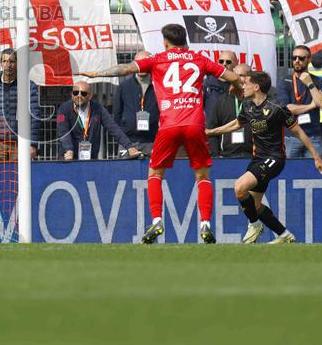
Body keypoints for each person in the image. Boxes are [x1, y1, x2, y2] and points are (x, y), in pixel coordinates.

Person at [81, 23, 242, 244]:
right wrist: (239, 91)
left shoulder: (157, 59)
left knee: (155, 174)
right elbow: (233, 78)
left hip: (169, 124)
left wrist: (97, 73)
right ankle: (205, 224)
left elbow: (125, 69)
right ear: (184, 40)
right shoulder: (200, 59)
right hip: (195, 124)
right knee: (202, 176)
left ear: (165, 42)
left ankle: (157, 220)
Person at [206, 70, 322, 244]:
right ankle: (285, 235)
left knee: (239, 187)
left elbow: (299, 132)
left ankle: (254, 225)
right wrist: (212, 132)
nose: (243, 86)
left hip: (274, 158)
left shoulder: (277, 107)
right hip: (258, 159)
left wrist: (317, 157)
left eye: (245, 82)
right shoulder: (247, 106)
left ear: (256, 87)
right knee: (255, 205)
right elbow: (236, 124)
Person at [56, 81, 142, 160]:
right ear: (71, 95)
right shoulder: (63, 109)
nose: (79, 96)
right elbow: (63, 132)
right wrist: (68, 149)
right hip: (68, 158)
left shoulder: (98, 109)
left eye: (83, 93)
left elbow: (113, 127)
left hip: (91, 158)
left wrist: (129, 146)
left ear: (90, 96)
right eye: (75, 93)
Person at [277, 44, 322, 158]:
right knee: (289, 172)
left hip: (313, 136)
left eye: (301, 58)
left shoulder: (318, 81)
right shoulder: (285, 81)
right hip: (292, 137)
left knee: (314, 172)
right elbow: (287, 109)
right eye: (294, 58)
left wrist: (310, 84)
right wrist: (311, 106)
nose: (297, 61)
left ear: (309, 59)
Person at [113, 50, 160, 152]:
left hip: (153, 142)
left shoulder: (159, 86)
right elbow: (116, 115)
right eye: (139, 63)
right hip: (128, 144)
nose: (142, 66)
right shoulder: (124, 86)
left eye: (145, 62)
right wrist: (123, 140)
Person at [205, 62, 253, 158]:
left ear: (250, 78)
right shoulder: (222, 101)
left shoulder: (255, 101)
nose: (237, 79)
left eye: (241, 75)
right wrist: (215, 156)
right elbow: (211, 129)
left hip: (252, 157)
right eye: (235, 75)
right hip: (226, 157)